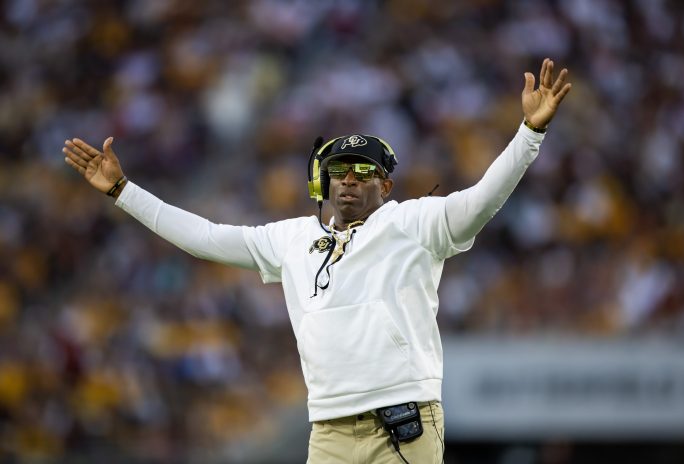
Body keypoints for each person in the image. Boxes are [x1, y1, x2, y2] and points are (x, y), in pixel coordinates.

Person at [62, 58, 571, 463]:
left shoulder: (415, 223)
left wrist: (529, 133)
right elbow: (205, 237)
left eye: (362, 170)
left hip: (403, 422)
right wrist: (124, 192)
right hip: (327, 430)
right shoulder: (290, 239)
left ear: (384, 185)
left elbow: (483, 199)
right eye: (338, 169)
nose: (348, 178)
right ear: (322, 182)